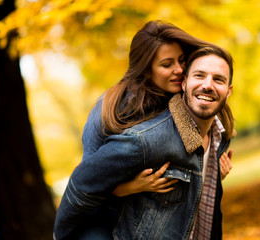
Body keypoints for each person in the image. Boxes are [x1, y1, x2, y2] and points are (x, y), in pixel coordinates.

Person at [54, 45, 235, 239]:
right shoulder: (147, 139)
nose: (208, 85)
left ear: (228, 91)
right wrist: (61, 234)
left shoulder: (220, 134)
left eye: (218, 79)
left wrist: (212, 175)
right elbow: (83, 181)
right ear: (184, 83)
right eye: (199, 75)